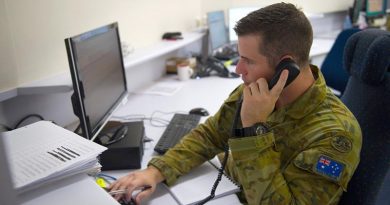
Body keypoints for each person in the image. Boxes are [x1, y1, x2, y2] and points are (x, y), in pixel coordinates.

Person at [109, 3, 362, 204]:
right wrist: (157, 171)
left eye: (247, 61)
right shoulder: (256, 90)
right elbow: (210, 135)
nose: (239, 69)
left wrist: (253, 129)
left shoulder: (334, 136)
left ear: (287, 67)